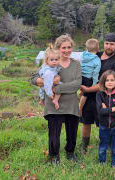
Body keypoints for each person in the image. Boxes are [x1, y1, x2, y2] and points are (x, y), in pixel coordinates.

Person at [31, 34, 82, 165]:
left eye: (69, 47)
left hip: (71, 104)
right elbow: (33, 78)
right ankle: (54, 156)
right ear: (58, 48)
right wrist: (40, 81)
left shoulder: (76, 64)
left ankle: (70, 152)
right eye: (63, 47)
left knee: (72, 132)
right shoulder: (51, 61)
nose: (66, 50)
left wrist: (57, 89)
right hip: (54, 105)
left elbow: (77, 84)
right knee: (54, 134)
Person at [80, 33, 115, 153]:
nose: (109, 46)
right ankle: (84, 146)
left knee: (104, 124)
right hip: (89, 97)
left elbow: (107, 83)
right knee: (86, 121)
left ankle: (105, 147)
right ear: (103, 44)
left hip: (104, 97)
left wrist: (87, 89)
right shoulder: (95, 55)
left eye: (112, 44)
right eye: (107, 43)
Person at [96, 70, 115, 167]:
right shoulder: (100, 95)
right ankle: (102, 163)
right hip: (103, 126)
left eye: (112, 80)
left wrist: (107, 110)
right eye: (107, 80)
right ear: (103, 82)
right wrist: (113, 109)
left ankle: (114, 164)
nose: (109, 82)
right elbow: (100, 111)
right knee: (103, 146)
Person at [79, 39, 101, 117]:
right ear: (98, 48)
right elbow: (95, 73)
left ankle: (80, 94)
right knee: (86, 94)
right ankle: (80, 108)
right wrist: (94, 84)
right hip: (88, 78)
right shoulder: (97, 59)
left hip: (80, 77)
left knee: (83, 91)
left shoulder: (83, 55)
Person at [38, 45, 62, 110]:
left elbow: (57, 68)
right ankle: (55, 100)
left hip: (45, 86)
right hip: (48, 86)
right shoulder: (48, 71)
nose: (54, 61)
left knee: (42, 92)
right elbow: (48, 83)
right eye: (52, 60)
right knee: (60, 87)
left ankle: (41, 100)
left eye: (56, 60)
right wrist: (49, 93)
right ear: (47, 61)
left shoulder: (52, 67)